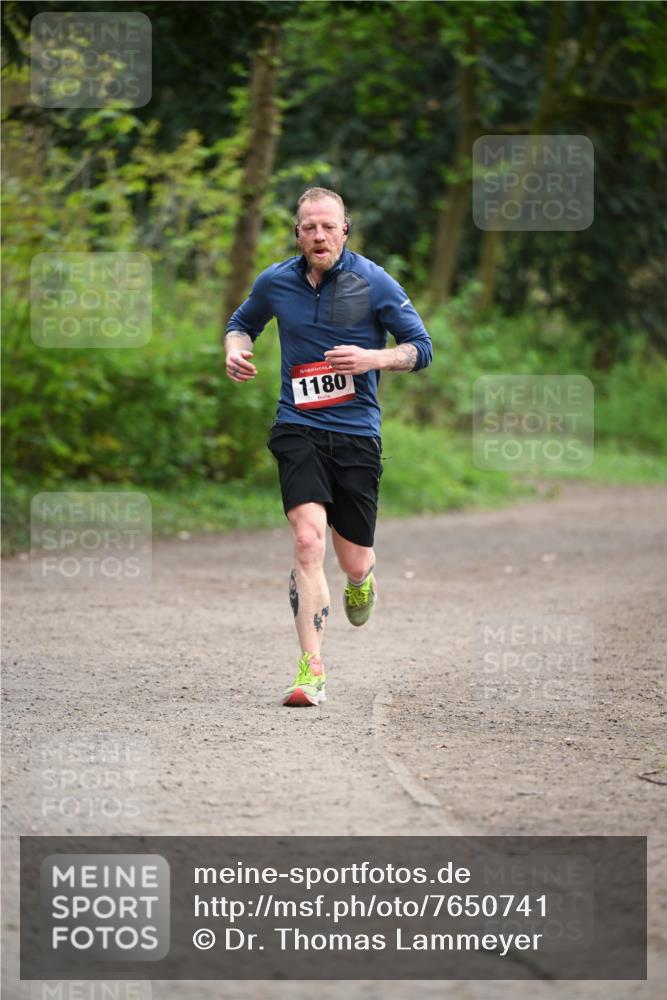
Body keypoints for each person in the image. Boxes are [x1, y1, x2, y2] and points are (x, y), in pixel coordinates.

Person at [225, 187, 432, 706]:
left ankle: (362, 581)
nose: (319, 235)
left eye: (328, 227)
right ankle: (311, 669)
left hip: (357, 434)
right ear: (298, 233)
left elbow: (420, 348)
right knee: (307, 542)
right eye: (309, 227)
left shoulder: (373, 281)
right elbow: (241, 324)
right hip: (297, 426)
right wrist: (236, 351)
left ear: (345, 230)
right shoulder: (276, 282)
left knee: (354, 560)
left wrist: (374, 359)